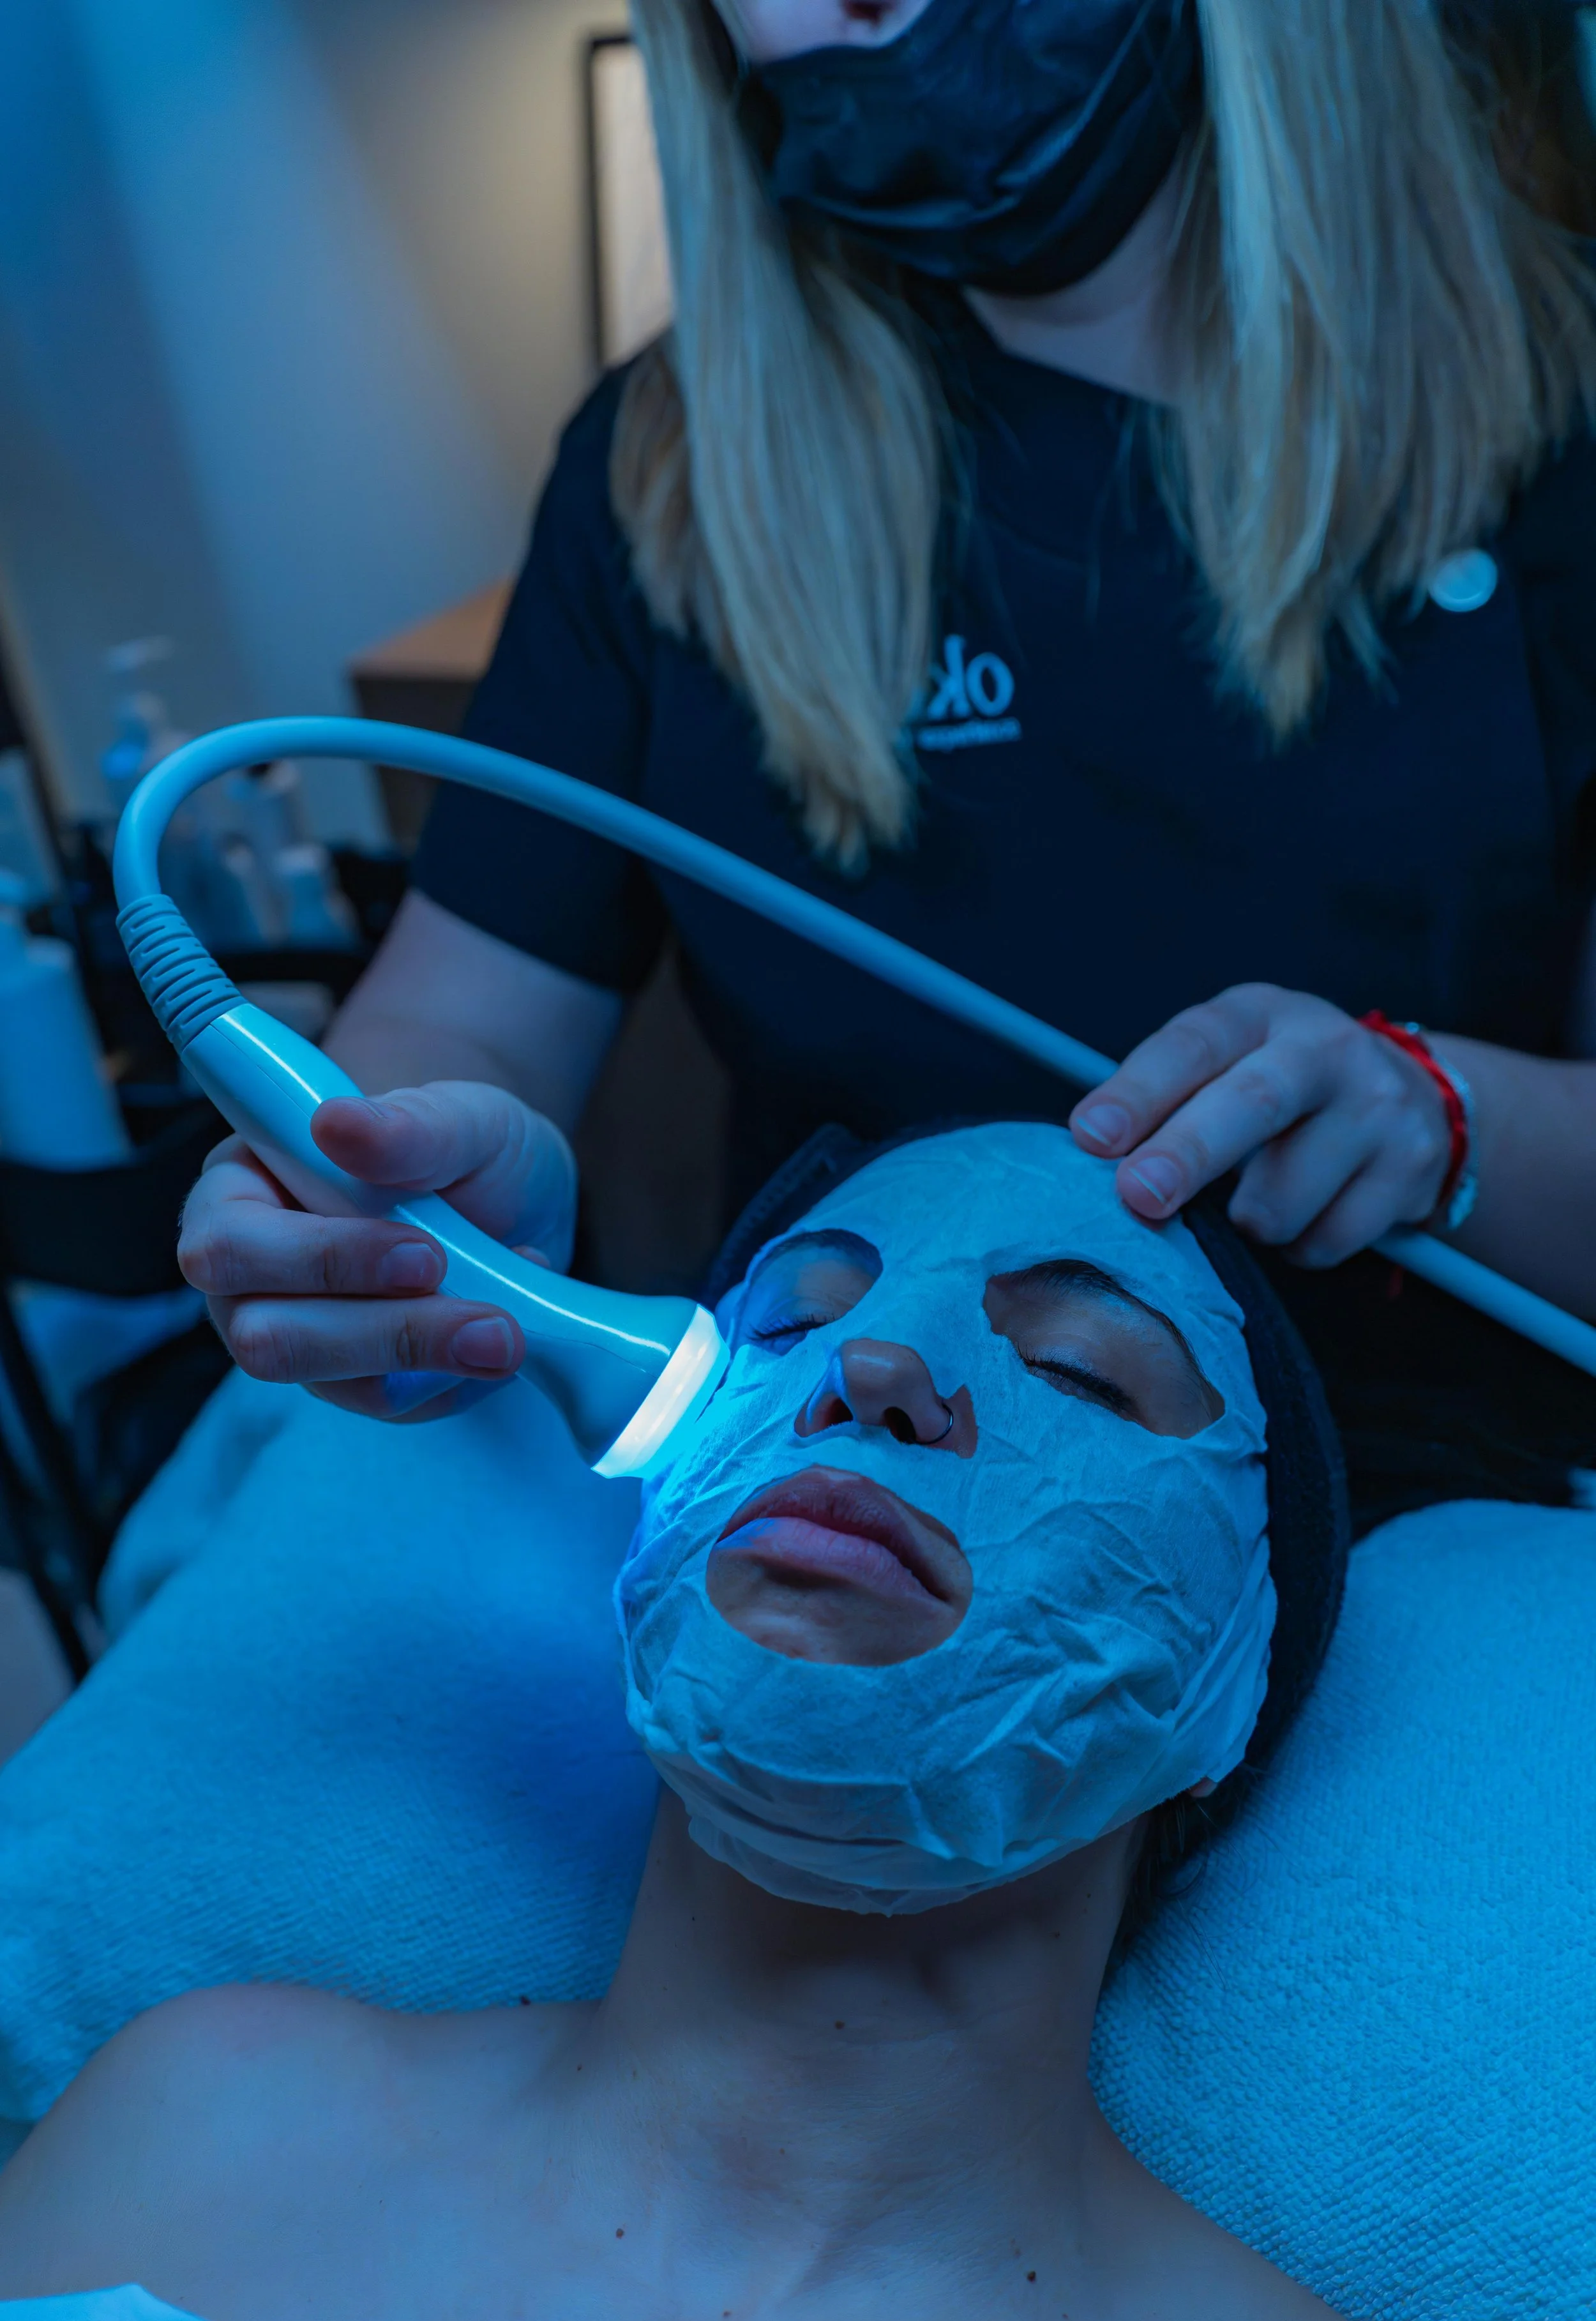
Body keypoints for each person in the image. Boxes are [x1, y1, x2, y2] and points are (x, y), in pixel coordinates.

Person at [176, 0, 1596, 1529]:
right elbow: (463, 1017)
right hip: (832, 1472)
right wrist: (400, 1193)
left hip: (1424, 1509)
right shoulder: (669, 476)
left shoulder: (1554, 431)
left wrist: (1440, 1123)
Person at [0, 1125, 1459, 2321]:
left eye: (1081, 1376)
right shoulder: (204, 2119)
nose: (874, 1365)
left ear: (1229, 1676)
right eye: (785, 1326)